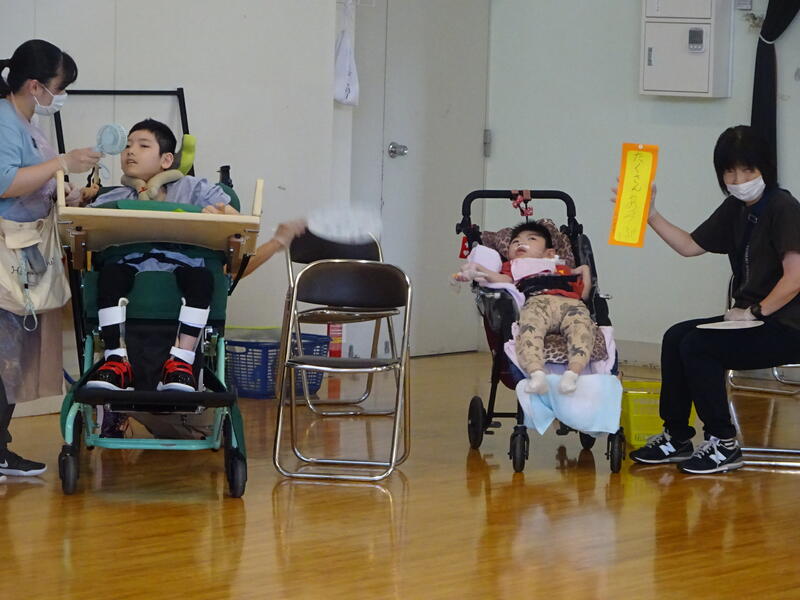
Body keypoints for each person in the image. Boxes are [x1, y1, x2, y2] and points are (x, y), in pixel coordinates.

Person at [84, 119, 306, 395]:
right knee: (110, 275)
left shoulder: (194, 189)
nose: (130, 151)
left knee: (201, 278)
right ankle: (116, 359)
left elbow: (237, 223)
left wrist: (222, 215)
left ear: (167, 160)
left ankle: (181, 360)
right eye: (127, 145)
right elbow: (83, 226)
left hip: (183, 266)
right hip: (128, 265)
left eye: (143, 145)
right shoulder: (113, 196)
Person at [625, 125, 800, 475]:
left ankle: (723, 442)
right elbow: (690, 246)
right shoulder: (736, 208)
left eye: (747, 170)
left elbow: (795, 279)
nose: (739, 179)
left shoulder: (783, 207)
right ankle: (677, 436)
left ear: (765, 167)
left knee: (699, 345)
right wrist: (650, 215)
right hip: (752, 320)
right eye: (730, 171)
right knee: (676, 336)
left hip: (787, 325)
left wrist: (754, 311)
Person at [0, 39, 101, 476]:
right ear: (35, 85)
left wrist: (68, 192)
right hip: (8, 248)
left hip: (28, 248)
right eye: (60, 88)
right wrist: (62, 162)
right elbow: (6, 183)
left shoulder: (27, 124)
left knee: (14, 356)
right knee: (4, 354)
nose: (61, 97)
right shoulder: (4, 121)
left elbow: (36, 182)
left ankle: (1, 446)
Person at [458, 221, 595, 394]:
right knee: (529, 331)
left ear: (549, 253)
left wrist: (585, 270)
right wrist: (478, 269)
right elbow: (503, 280)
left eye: (531, 239)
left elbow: (584, 295)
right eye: (515, 241)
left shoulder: (561, 267)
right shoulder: (512, 266)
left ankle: (573, 373)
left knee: (582, 330)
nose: (521, 243)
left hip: (571, 304)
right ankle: (536, 373)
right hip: (537, 303)